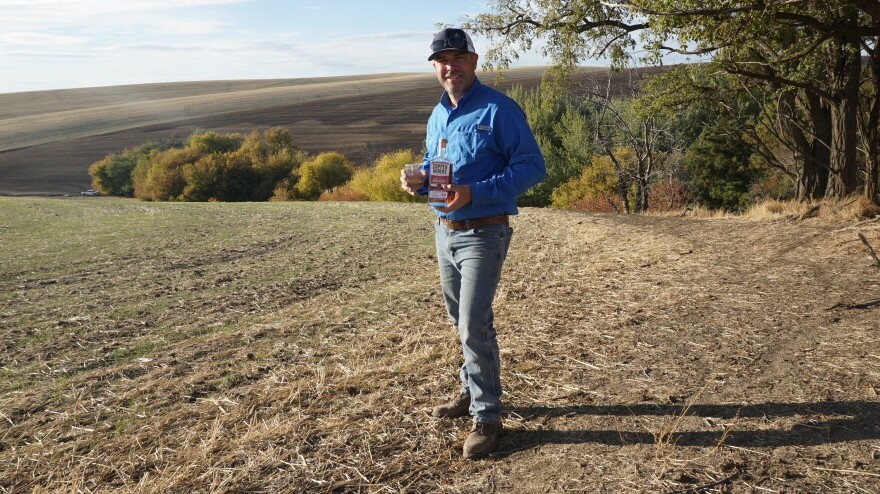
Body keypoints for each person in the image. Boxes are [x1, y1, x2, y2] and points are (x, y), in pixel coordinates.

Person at [400, 27, 546, 459]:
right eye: (442, 61)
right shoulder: (438, 113)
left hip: (484, 230)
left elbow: (532, 167)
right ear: (435, 68)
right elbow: (436, 162)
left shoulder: (499, 109)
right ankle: (469, 390)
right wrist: (419, 177)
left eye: (457, 59)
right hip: (445, 231)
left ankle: (487, 416)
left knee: (471, 324)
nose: (450, 67)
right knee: (460, 320)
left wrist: (474, 191)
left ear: (474, 61)